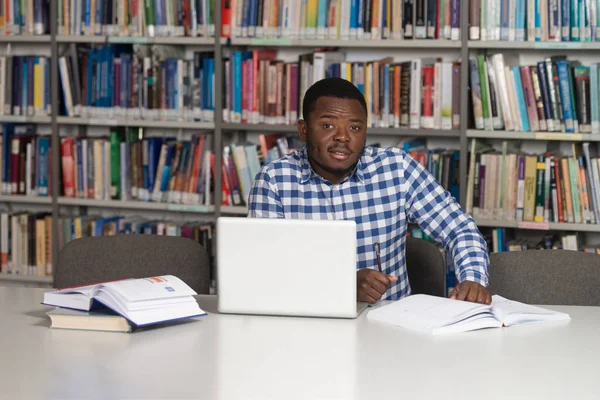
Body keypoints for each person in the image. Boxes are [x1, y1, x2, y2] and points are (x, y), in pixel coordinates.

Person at [247, 77, 491, 305]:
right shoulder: (274, 182)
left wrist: (473, 279)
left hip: (391, 325)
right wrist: (340, 286)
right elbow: (262, 273)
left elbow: (459, 229)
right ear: (304, 130)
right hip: (308, 324)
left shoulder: (397, 168)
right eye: (328, 125)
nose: (343, 137)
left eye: (355, 128)